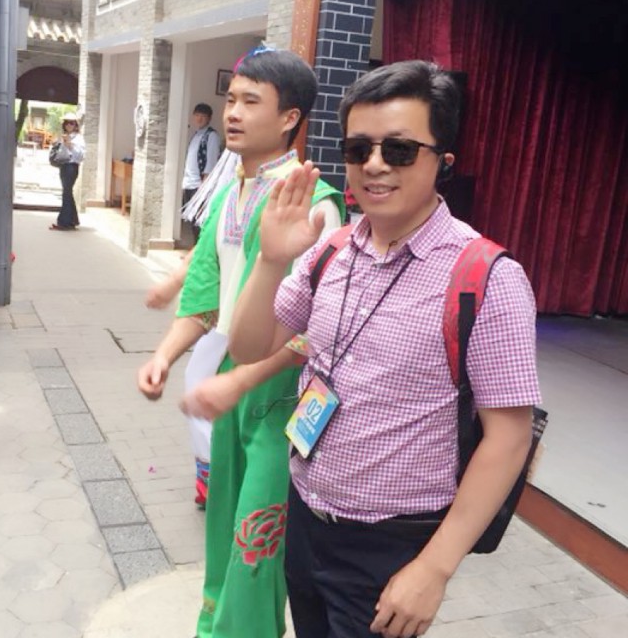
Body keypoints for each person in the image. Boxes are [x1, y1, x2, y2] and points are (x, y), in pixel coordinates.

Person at [229, 60, 542, 638]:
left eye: (398, 150)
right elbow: (250, 347)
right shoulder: (332, 251)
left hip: (391, 544)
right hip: (305, 513)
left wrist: (435, 567)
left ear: (443, 161)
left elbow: (509, 437)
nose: (374, 165)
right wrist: (271, 261)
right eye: (359, 149)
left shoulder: (487, 278)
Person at [137, 48, 344, 638]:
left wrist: (241, 377)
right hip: (231, 379)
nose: (233, 112)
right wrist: (163, 355)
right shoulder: (232, 194)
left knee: (258, 537)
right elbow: (206, 293)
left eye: (251, 101)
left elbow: (317, 329)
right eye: (231, 99)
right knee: (225, 522)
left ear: (289, 118)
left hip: (283, 394)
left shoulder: (316, 205)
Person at [145, 149, 241, 507]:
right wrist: (173, 284)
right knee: (198, 386)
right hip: (220, 318)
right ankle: (210, 477)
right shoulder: (230, 194)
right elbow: (205, 252)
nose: (233, 120)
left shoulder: (302, 197)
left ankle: (219, 479)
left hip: (249, 327)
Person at [181, 103, 221, 242]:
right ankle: (195, 248)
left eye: (203, 116)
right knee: (192, 221)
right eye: (197, 115)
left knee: (199, 221)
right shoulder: (196, 135)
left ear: (209, 118)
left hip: (199, 185)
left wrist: (204, 188)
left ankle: (198, 248)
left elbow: (210, 163)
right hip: (189, 183)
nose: (199, 119)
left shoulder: (211, 136)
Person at [50, 112, 85, 231]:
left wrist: (70, 145)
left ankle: (63, 222)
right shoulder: (63, 136)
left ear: (75, 125)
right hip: (64, 166)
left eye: (72, 123)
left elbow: (80, 155)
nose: (69, 125)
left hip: (72, 166)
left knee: (66, 193)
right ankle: (72, 221)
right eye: (67, 123)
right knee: (67, 193)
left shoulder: (78, 138)